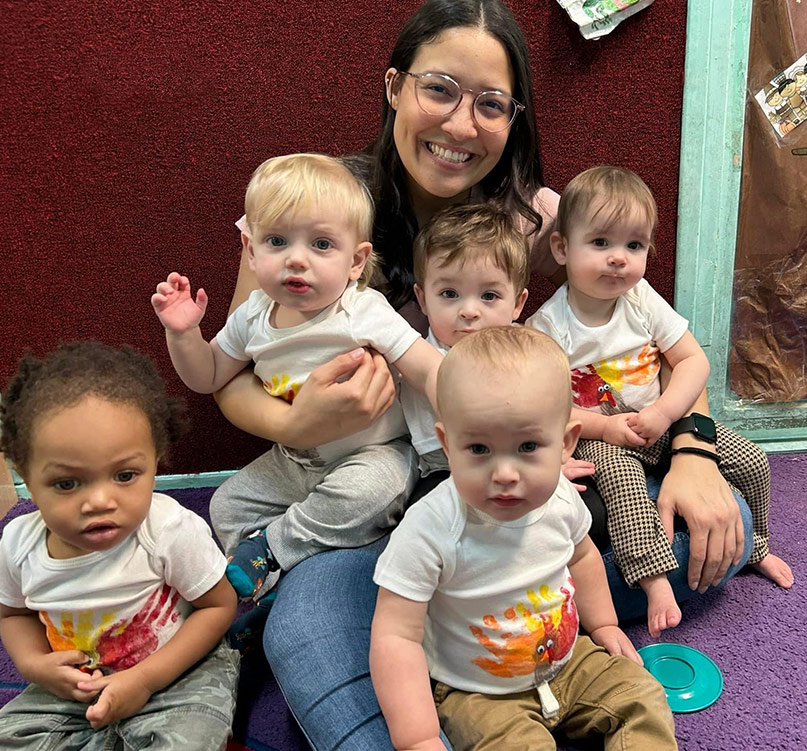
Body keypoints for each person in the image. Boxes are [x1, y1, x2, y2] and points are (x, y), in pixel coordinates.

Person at [210, 1, 758, 747]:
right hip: (371, 508)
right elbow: (229, 372)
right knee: (311, 620)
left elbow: (651, 336)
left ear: (514, 118)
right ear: (395, 86)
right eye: (440, 88)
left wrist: (693, 447)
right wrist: (293, 423)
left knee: (716, 524)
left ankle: (501, 636)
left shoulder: (541, 219)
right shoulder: (317, 202)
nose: (462, 124)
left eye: (490, 104)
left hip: (515, 487)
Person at [150, 153, 442, 605]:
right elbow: (206, 376)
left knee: (373, 493)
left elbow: (430, 370)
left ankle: (273, 549)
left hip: (373, 453)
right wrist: (184, 333)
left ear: (356, 261)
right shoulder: (253, 317)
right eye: (277, 241)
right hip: (293, 459)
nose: (296, 261)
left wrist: (486, 410)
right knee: (225, 505)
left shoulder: (362, 311)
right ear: (251, 250)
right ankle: (260, 589)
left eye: (322, 245)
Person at [371, 326, 676, 751]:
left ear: (567, 444)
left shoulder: (563, 499)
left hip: (569, 662)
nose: (505, 474)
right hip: (478, 692)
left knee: (642, 695)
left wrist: (603, 623)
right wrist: (418, 736)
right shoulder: (429, 528)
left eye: (528, 446)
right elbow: (395, 636)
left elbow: (584, 557)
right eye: (478, 449)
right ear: (447, 443)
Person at [528, 166, 794, 637]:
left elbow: (692, 362)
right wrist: (607, 428)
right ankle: (654, 581)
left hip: (660, 422)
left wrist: (665, 413)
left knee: (751, 459)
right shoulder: (548, 328)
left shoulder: (642, 300)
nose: (618, 260)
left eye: (634, 246)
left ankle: (756, 546)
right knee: (625, 485)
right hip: (600, 436)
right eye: (601, 243)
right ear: (561, 248)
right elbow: (545, 410)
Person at [0, 341, 239, 750]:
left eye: (125, 475)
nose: (99, 502)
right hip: (73, 689)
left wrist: (145, 680)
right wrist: (36, 665)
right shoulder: (18, 544)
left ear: (155, 458)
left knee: (192, 738)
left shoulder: (167, 530)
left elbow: (218, 607)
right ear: (25, 475)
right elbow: (13, 615)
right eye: (67, 483)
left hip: (177, 676)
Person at [402, 201, 530, 496]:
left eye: (489, 295)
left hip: (519, 463)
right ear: (422, 300)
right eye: (449, 293)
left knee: (590, 511)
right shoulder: (416, 355)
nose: (469, 310)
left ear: (518, 304)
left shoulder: (529, 351)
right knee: (431, 515)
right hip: (442, 469)